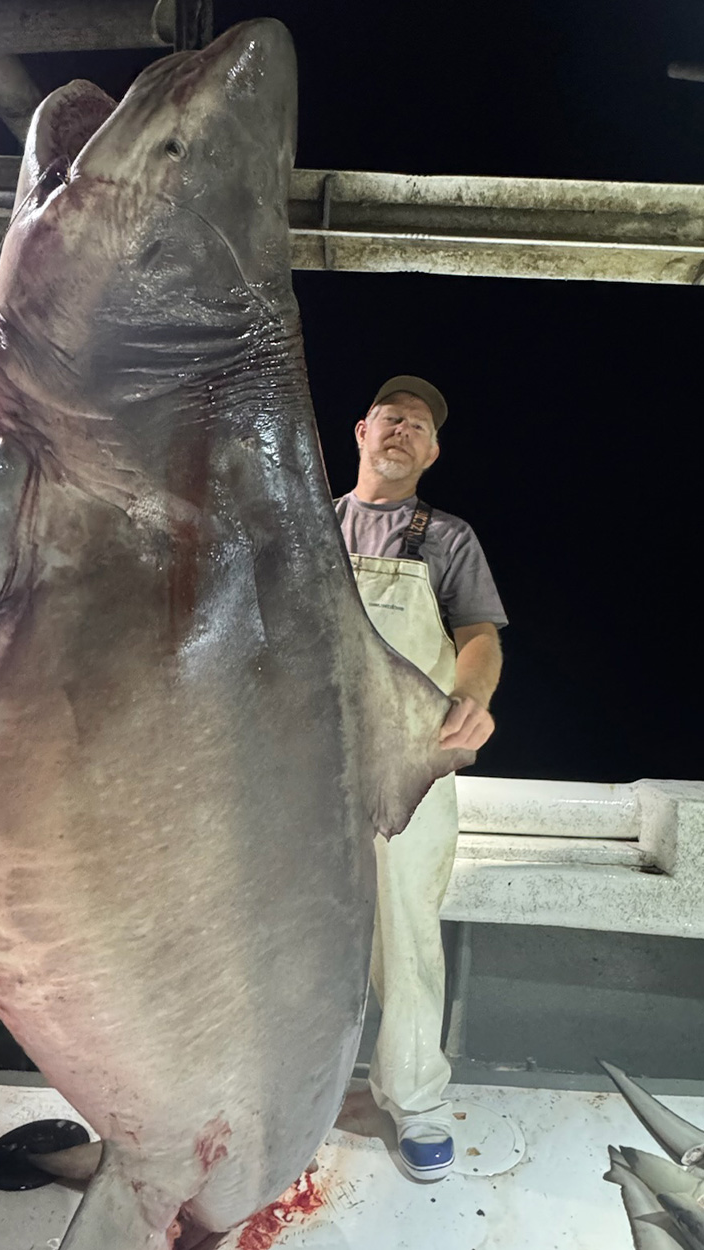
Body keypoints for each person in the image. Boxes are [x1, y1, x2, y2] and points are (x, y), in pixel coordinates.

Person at [335, 375, 507, 1182]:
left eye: (420, 427)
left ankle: (413, 1098)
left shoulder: (448, 538)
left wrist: (472, 695)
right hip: (306, 761)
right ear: (361, 431)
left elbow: (478, 635)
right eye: (391, 419)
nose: (403, 432)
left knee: (406, 933)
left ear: (433, 452)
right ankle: (292, 1088)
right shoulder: (309, 526)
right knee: (287, 925)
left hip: (409, 765)